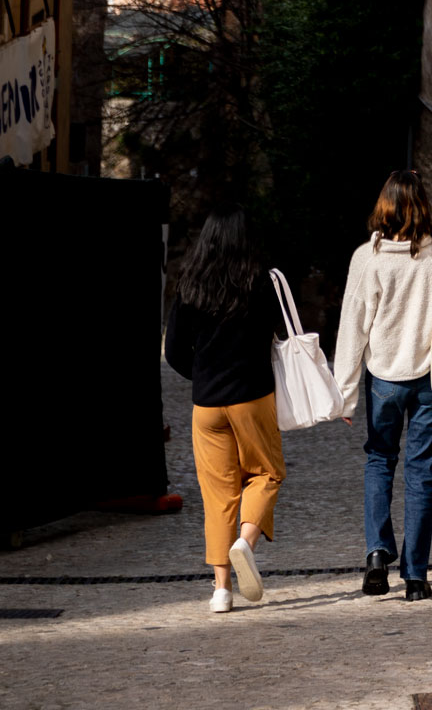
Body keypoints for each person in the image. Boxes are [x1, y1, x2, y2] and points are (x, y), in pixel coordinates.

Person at [333, 168, 432, 602]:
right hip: (431, 379)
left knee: (379, 461)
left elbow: (351, 329)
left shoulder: (367, 258)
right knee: (421, 474)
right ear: (423, 209)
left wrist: (345, 393)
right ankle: (416, 577)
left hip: (384, 382)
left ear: (384, 208)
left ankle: (377, 553)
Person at [164, 207, 286, 614]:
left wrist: (202, 376)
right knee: (267, 473)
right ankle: (244, 544)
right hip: (252, 397)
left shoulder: (190, 284)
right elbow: (282, 335)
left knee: (218, 496)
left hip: (207, 405)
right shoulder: (260, 280)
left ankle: (221, 591)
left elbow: (175, 352)